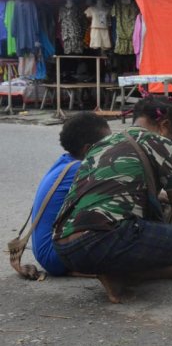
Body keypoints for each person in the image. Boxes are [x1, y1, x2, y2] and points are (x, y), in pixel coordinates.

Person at [53, 96, 172, 303]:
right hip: (103, 240)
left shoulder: (101, 144)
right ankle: (127, 276)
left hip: (64, 248)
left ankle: (111, 270)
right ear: (165, 125)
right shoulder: (162, 145)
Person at [31, 112, 111, 277]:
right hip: (54, 256)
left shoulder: (66, 161)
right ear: (88, 149)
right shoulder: (80, 169)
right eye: (108, 143)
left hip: (45, 253)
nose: (112, 148)